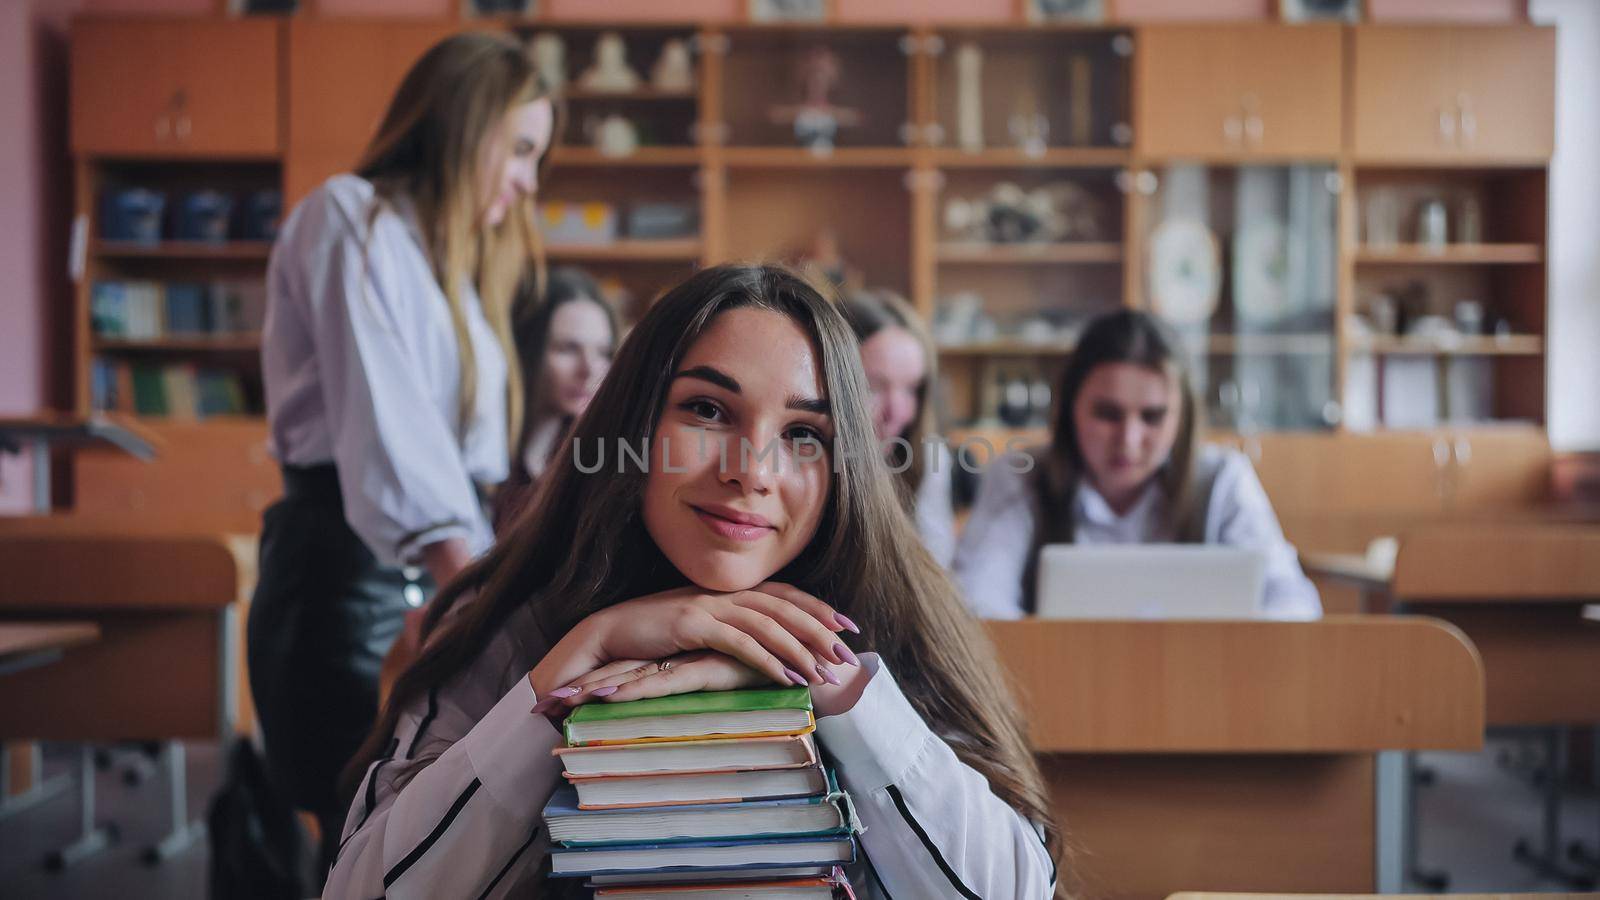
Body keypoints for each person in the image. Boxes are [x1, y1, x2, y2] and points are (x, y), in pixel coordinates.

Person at [325, 264, 1063, 899]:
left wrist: (835, 685)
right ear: (636, 424)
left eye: (804, 434)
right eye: (707, 410)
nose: (751, 471)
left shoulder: (897, 621)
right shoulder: (509, 625)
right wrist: (577, 665)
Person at [248, 31, 555, 875]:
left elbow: (467, 464)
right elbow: (388, 432)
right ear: (466, 125)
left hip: (429, 573)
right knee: (359, 842)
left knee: (413, 838)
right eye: (522, 149)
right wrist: (481, 608)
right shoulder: (348, 216)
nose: (531, 180)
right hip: (343, 584)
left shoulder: (451, 269)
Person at [954, 309, 1320, 620]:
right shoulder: (1020, 475)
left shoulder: (1223, 479)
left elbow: (1294, 602)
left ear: (1183, 419)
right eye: (1107, 414)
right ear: (1069, 409)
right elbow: (975, 602)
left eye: (1153, 417)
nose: (1129, 439)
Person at [494, 266, 617, 532]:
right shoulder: (487, 448)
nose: (589, 369)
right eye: (568, 349)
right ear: (529, 350)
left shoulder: (608, 457)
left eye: (603, 352)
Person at [839, 289, 957, 566]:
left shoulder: (928, 456)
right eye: (873, 386)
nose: (897, 412)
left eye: (911, 389)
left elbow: (936, 567)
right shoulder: (800, 458)